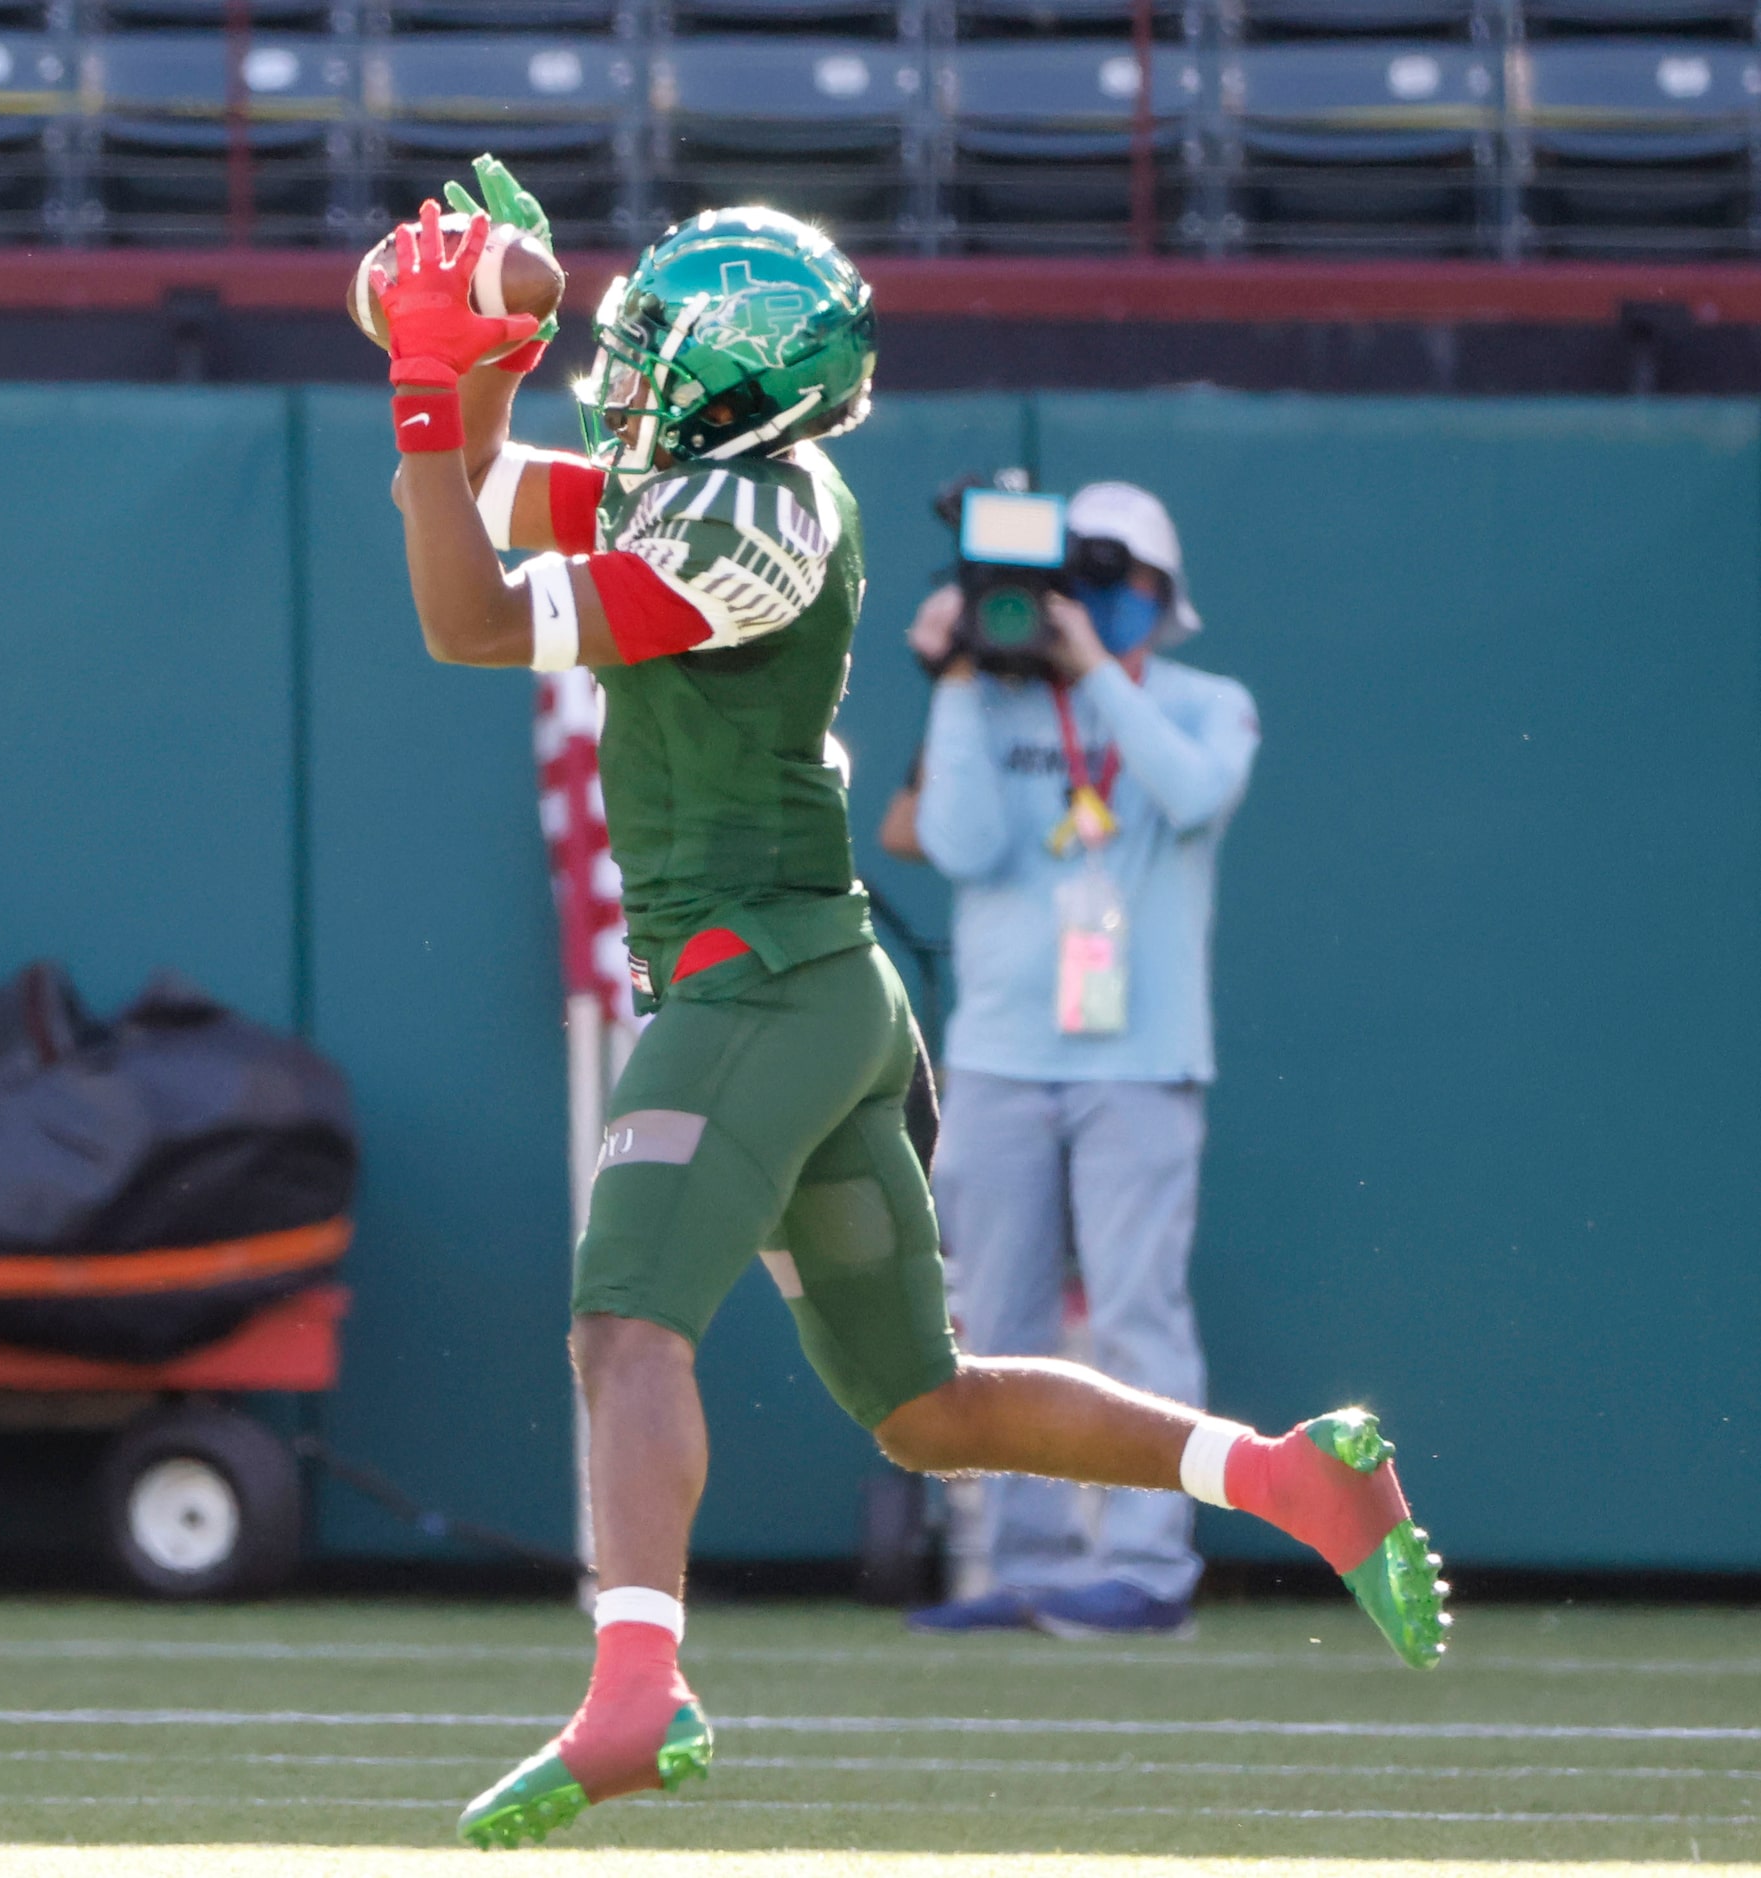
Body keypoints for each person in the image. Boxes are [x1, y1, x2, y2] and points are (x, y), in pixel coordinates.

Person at [367, 163, 1449, 1852]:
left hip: (759, 977)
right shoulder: (717, 484)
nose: (627, 356)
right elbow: (487, 494)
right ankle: (1285, 1473)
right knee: (922, 1405)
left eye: (656, 340)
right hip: (814, 983)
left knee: (622, 1320)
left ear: (736, 378)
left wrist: (434, 379)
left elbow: (462, 611)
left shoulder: (749, 521)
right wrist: (468, 371)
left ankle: (635, 1682)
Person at [901, 486, 1257, 1639]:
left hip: (1140, 1060)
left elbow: (1195, 796)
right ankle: (1034, 1562)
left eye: (1120, 578)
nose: (1095, 599)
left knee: (1136, 1310)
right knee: (998, 1317)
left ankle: (1150, 1568)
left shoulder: (1211, 704)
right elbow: (955, 844)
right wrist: (958, 674)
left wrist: (1096, 669)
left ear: (1161, 596)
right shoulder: (995, 703)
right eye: (1079, 580)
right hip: (1003, 1053)